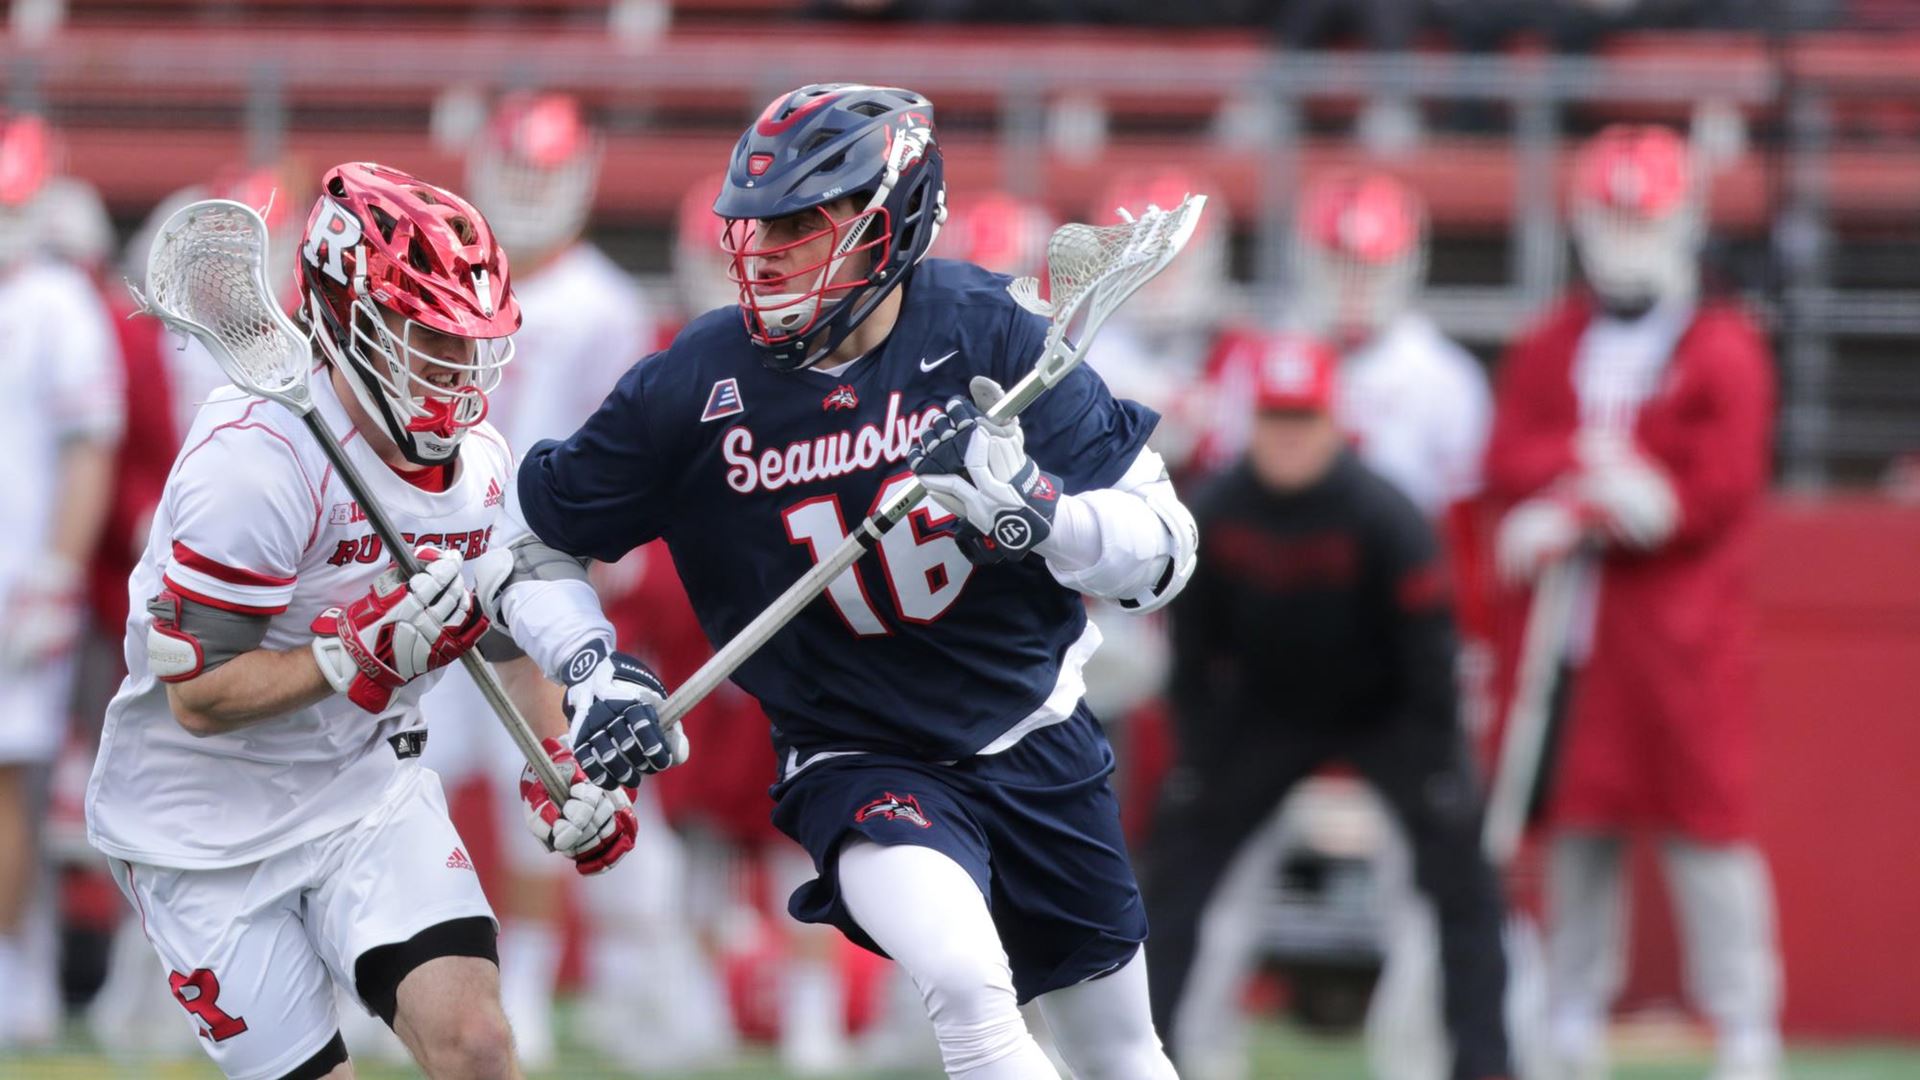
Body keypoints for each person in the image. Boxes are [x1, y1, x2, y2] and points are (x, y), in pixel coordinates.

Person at [502, 82, 1197, 1080]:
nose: (769, 250)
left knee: (1122, 1049)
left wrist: (1037, 512)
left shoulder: (995, 335)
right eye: (758, 225)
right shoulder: (697, 383)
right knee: (963, 983)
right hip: (855, 754)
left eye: (802, 223)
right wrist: (592, 673)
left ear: (895, 220)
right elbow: (531, 547)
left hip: (1032, 730)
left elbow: (1162, 548)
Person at [84, 162, 644, 1079]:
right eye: (430, 342)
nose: (460, 374)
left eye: (470, 344)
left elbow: (502, 627)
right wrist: (350, 655)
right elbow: (197, 696)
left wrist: (555, 764)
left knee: (478, 1048)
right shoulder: (254, 460)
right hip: (199, 825)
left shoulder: (480, 464)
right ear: (352, 322)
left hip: (364, 787)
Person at [419, 90, 725, 1072]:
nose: (524, 194)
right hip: (438, 558)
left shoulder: (604, 301)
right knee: (410, 774)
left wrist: (605, 555)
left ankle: (542, 987)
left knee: (546, 779)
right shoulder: (450, 281)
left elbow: (619, 446)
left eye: (541, 174)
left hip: (546, 569)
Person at [1484, 123, 1783, 1080]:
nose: (1625, 238)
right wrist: (1585, 480)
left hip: (1681, 637)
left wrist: (1627, 492)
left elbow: (1710, 490)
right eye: (1611, 219)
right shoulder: (1552, 346)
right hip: (1575, 636)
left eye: (1641, 218)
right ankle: (1573, 1009)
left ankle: (1743, 1021)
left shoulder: (1722, 348)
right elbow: (1515, 455)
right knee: (1580, 820)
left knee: (1707, 827)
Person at [1141, 334, 1511, 1080]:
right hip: (1263, 713)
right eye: (1274, 419)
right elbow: (1190, 650)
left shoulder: (1384, 514)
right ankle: (1146, 1057)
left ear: (1334, 423)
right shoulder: (1215, 508)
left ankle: (1485, 1063)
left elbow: (1428, 646)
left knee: (1462, 878)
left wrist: (1439, 761)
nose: (1287, 439)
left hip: (1386, 712)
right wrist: (1200, 756)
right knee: (1175, 872)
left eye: (1302, 419)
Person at [0, 111, 125, 1048]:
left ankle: (13, 975)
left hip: (14, 574)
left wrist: (52, 573)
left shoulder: (55, 299)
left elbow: (91, 451)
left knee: (10, 783)